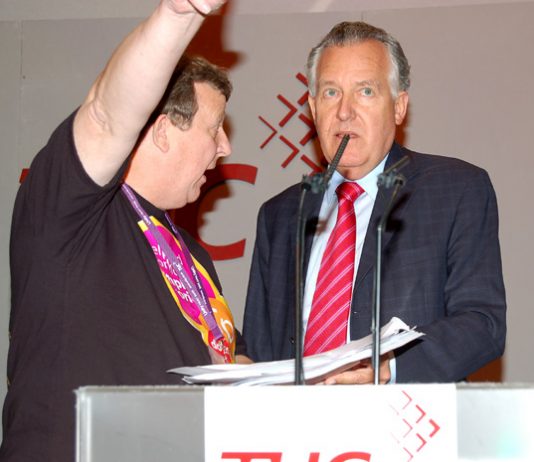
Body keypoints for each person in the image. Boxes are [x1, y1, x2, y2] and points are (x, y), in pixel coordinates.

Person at [1, 1, 250, 461]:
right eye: (213, 128)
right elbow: (103, 116)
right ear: (161, 132)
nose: (224, 147)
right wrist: (180, 14)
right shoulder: (73, 211)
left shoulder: (194, 257)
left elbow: (229, 366)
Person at [242, 21, 506, 384]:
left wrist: (388, 371)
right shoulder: (281, 214)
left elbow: (482, 323)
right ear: (313, 108)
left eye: (365, 91)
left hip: (405, 425)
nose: (345, 111)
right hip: (296, 433)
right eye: (331, 93)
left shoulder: (456, 190)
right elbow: (261, 347)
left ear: (398, 107)